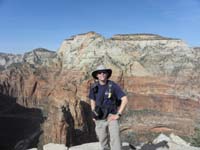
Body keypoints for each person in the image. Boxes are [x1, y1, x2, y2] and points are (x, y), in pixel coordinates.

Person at [89, 65, 128, 150]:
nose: (102, 74)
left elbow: (124, 99)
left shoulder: (113, 85)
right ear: (97, 75)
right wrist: (93, 113)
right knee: (103, 140)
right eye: (99, 73)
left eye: (104, 72)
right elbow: (92, 100)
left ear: (107, 74)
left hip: (111, 116)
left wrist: (118, 114)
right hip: (99, 117)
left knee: (115, 139)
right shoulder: (94, 87)